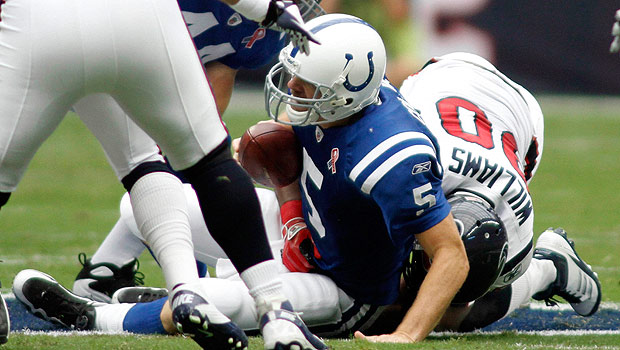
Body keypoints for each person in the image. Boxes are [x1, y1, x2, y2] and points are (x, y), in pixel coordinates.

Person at [12, 40, 602, 344]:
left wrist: (407, 334)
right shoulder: (362, 112)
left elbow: (448, 255)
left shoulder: (392, 158)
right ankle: (120, 281)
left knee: (452, 308)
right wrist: (287, 185)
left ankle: (94, 316)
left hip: (349, 280)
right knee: (152, 200)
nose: (291, 92)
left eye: (304, 84)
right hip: (450, 119)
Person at [0, 0, 327, 349]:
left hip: (40, 19)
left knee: (146, 161)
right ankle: (263, 309)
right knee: (197, 163)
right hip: (140, 17)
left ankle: (149, 285)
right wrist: (266, 8)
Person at [69, 0, 325, 304]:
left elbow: (222, 68)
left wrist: (202, 144)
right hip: (92, 47)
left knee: (200, 165)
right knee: (152, 165)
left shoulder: (269, 33)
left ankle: (110, 272)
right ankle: (188, 284)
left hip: (142, 69)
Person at [395, 52, 601, 332]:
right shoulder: (416, 168)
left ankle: (549, 268)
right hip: (443, 77)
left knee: (443, 313)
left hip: (520, 114)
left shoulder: (517, 236)